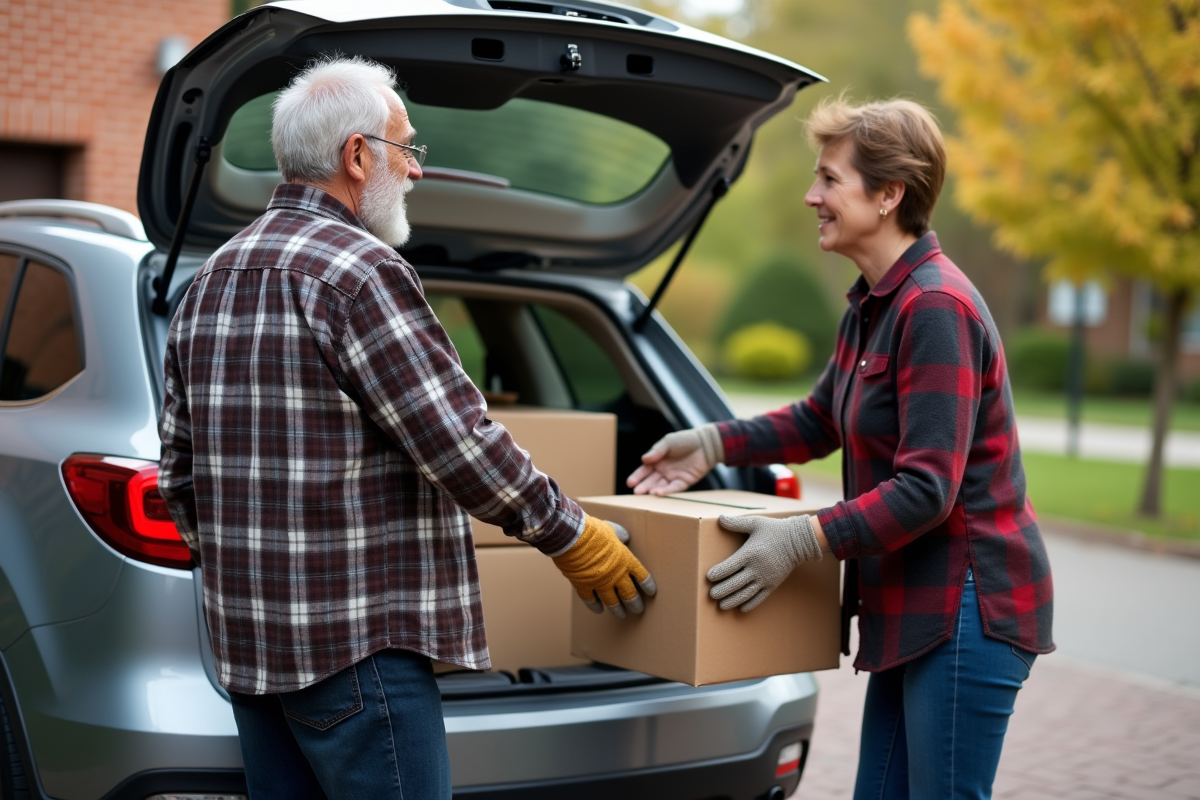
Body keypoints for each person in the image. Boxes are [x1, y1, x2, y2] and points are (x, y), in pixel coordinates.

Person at [158, 55, 655, 800]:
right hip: (360, 656)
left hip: (252, 655)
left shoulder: (210, 279)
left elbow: (179, 475)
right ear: (357, 157)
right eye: (408, 147)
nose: (417, 171)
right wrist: (573, 537)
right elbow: (458, 445)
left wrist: (251, 579)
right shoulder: (359, 270)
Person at [628, 97, 1053, 800]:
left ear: (888, 195)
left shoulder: (935, 308)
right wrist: (710, 443)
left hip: (968, 608)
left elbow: (927, 489)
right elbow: (821, 419)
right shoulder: (874, 303)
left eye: (829, 180)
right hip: (913, 606)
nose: (811, 196)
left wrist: (799, 542)